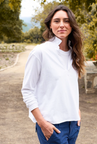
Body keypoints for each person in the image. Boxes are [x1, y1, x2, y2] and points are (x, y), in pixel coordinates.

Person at [21, 4, 85, 144]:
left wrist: (77, 112)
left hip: (73, 124)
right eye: (57, 21)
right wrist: (42, 123)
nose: (62, 25)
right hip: (52, 126)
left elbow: (69, 87)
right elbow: (27, 90)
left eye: (66, 20)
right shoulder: (40, 53)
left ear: (72, 25)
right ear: (50, 25)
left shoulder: (74, 53)